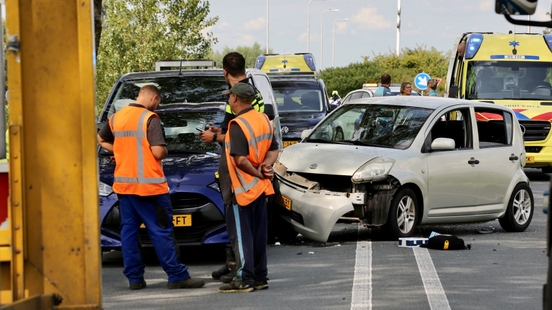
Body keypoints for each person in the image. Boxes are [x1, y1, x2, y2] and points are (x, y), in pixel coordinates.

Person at [97, 85, 205, 290]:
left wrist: (120, 151)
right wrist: (163, 149)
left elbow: (101, 139)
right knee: (162, 231)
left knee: (128, 232)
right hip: (150, 189)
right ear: (154, 98)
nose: (157, 106)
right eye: (158, 103)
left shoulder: (117, 117)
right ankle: (176, 275)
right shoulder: (149, 118)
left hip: (125, 189)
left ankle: (135, 278)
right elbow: (157, 152)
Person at [199, 52, 265, 284]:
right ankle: (243, 267)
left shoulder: (238, 97)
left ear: (225, 72)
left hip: (240, 170)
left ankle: (241, 270)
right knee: (250, 225)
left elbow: (235, 133)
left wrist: (214, 137)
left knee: (238, 220)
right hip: (257, 167)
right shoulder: (256, 94)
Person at [217, 82, 279, 293]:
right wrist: (266, 167)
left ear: (235, 98)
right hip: (260, 188)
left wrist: (257, 171)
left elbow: (240, 160)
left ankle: (244, 278)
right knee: (258, 235)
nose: (228, 99)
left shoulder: (237, 124)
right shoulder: (263, 119)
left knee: (241, 237)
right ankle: (260, 276)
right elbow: (274, 149)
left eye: (229, 96)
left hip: (241, 188)